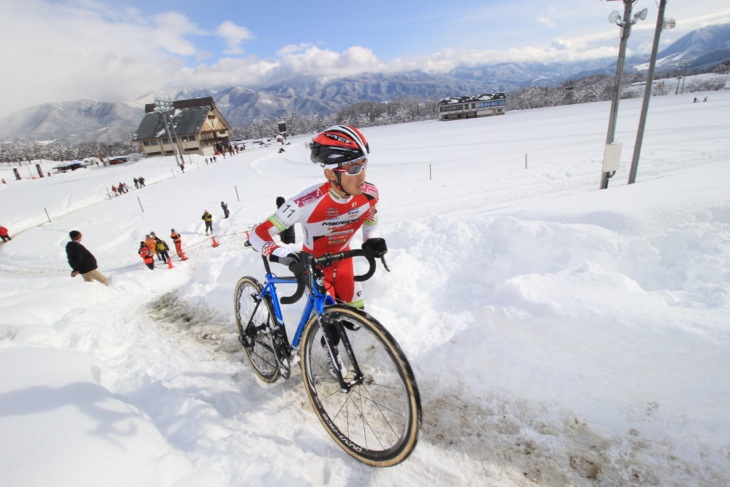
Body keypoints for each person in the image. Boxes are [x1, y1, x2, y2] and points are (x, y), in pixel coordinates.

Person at [249, 125, 386, 310]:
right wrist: (282, 254)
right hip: (314, 267)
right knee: (329, 330)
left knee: (356, 321)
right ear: (330, 173)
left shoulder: (370, 194)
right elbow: (259, 232)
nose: (362, 176)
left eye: (364, 165)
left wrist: (372, 240)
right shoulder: (305, 203)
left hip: (345, 263)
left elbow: (370, 223)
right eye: (353, 169)